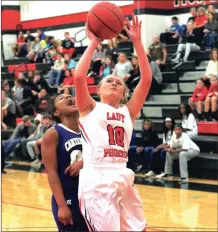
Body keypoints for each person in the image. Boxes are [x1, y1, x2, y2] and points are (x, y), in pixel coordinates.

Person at [74, 14, 152, 231]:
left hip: (122, 174)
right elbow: (79, 77)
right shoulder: (90, 108)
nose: (114, 83)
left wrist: (137, 41)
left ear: (124, 92)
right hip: (96, 178)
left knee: (140, 229)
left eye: (118, 82)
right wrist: (93, 44)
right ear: (98, 90)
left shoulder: (129, 111)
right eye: (109, 80)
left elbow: (146, 80)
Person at [41, 95, 88, 231]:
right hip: (68, 196)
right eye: (61, 98)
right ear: (57, 112)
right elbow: (52, 172)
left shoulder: (89, 130)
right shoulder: (53, 133)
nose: (68, 96)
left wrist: (85, 163)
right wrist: (61, 205)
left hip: (92, 195)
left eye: (69, 95)